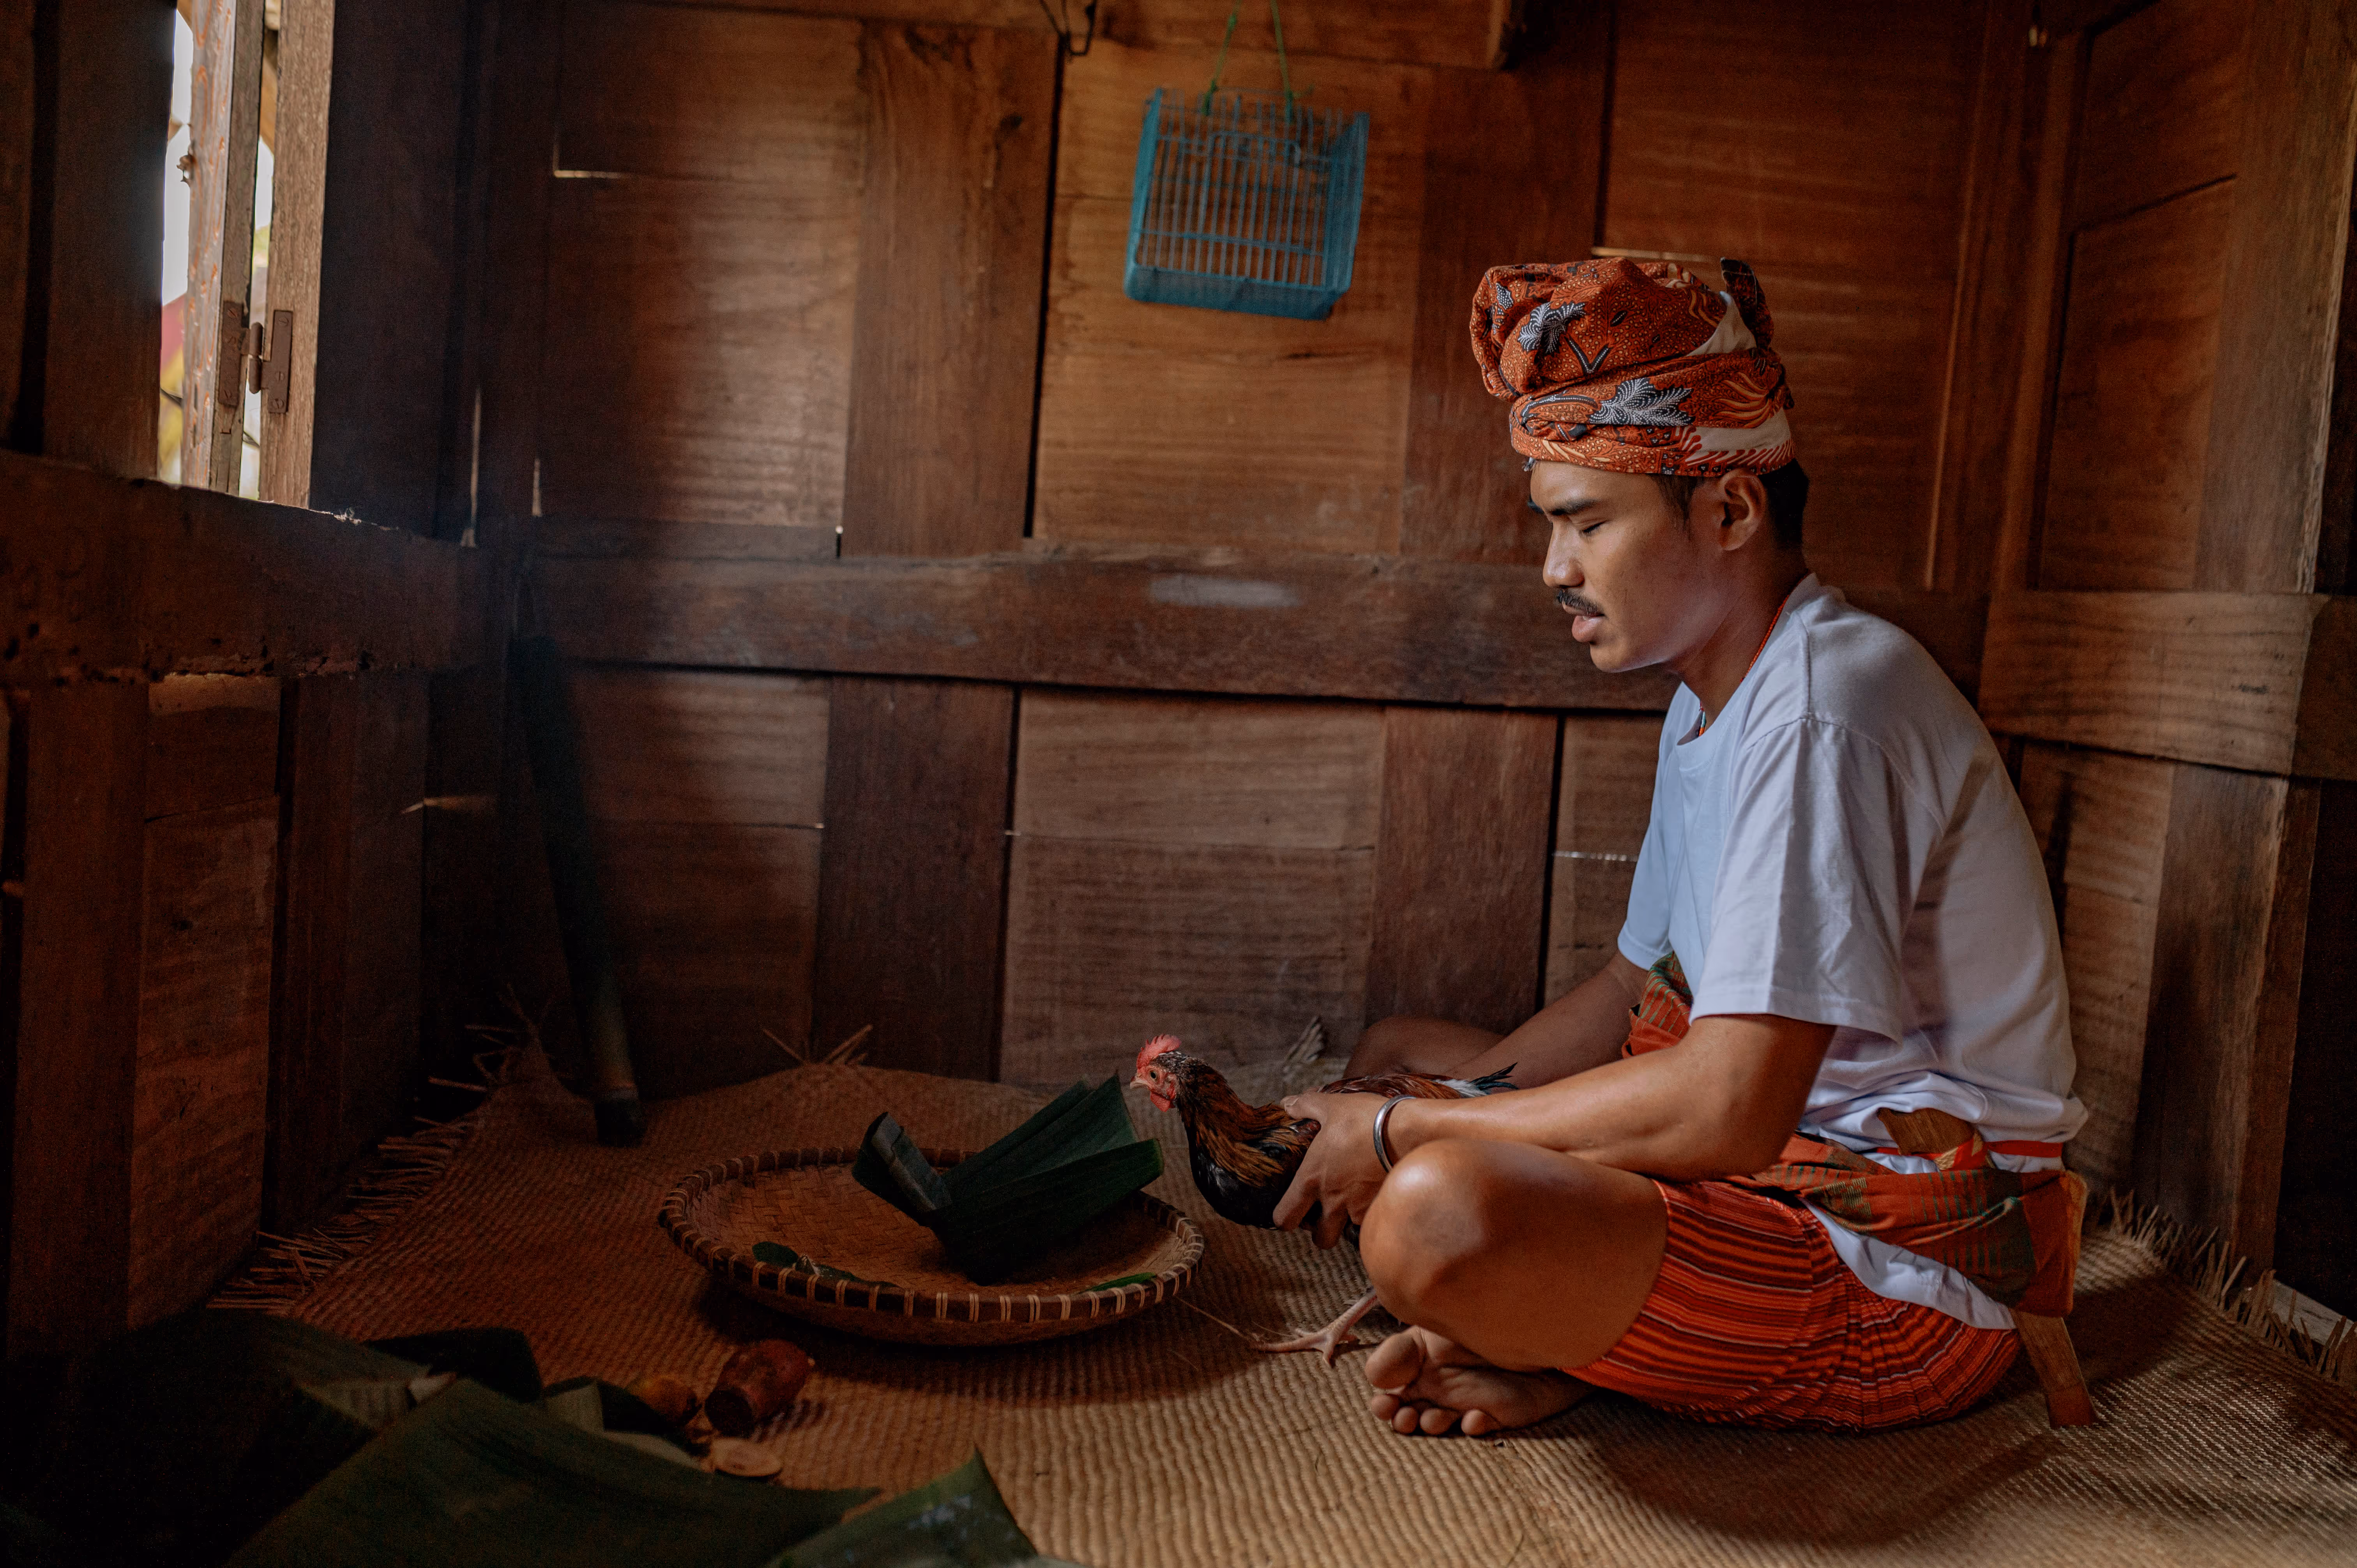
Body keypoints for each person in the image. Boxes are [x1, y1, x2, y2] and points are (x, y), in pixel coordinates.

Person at [1272, 257, 2087, 1436]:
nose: (1557, 573)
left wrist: (1407, 1134)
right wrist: (1417, 1098)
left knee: (1434, 1213)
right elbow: (1632, 991)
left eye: (1587, 523)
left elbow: (1731, 1112)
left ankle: (1564, 1330)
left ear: (1729, 511)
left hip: (1902, 1265)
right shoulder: (1715, 697)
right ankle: (1571, 1334)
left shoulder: (1826, 705)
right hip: (1765, 1171)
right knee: (1399, 1050)